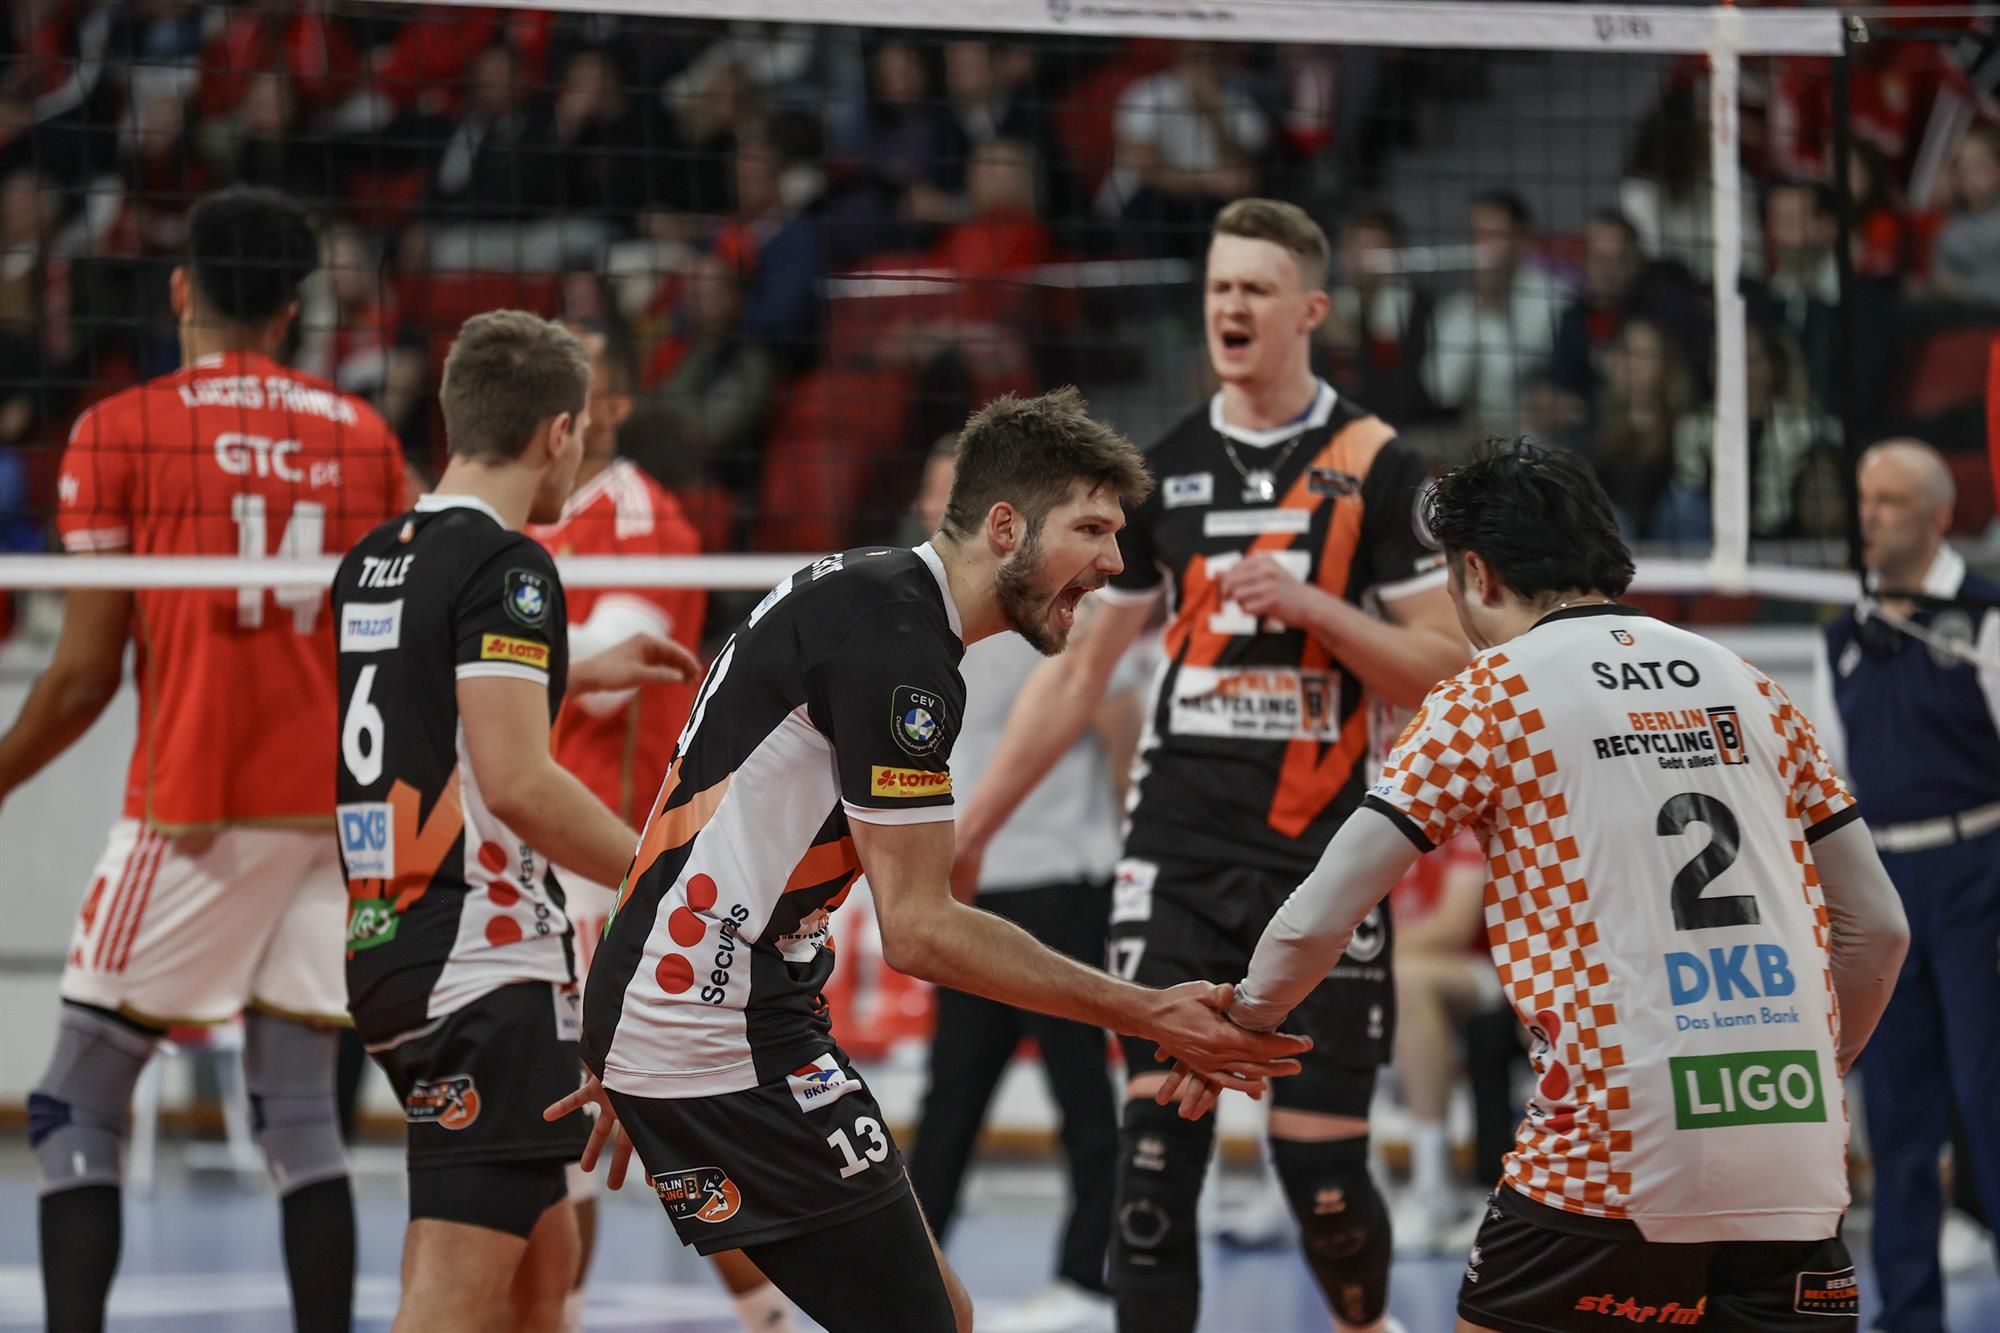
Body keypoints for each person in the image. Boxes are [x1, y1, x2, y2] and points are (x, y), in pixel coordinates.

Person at [547, 386, 1311, 1333]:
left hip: (725, 1006)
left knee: (939, 1312)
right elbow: (917, 929)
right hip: (713, 1016)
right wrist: (1152, 1011)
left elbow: (692, 816)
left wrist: (629, 1015)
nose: (1115, 563)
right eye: (1091, 530)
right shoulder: (897, 644)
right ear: (1005, 527)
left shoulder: (868, 592)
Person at [1159, 438, 1911, 1333]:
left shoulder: (1490, 695)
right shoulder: (1751, 686)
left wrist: (1244, 1020)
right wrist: (1814, 1070)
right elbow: (1880, 929)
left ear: (1477, 572)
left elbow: (1321, 911)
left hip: (1615, 1140)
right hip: (1793, 1141)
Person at [953, 199, 1468, 1333]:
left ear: (1309, 311)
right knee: (1149, 1179)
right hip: (1176, 851)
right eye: (1218, 287)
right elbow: (1077, 676)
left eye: (1254, 289)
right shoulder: (1164, 469)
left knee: (1325, 1186)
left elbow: (1445, 667)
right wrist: (975, 825)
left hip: (1319, 859)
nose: (1230, 306)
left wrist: (1312, 606)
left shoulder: (1378, 463)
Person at [0, 185, 406, 1333]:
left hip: (196, 806)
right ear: (290, 312)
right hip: (337, 820)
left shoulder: (120, 428)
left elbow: (83, 674)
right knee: (300, 1121)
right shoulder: (363, 436)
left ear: (182, 290)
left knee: (73, 1100)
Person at [332, 310, 699, 1333]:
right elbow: (519, 784)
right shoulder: (510, 563)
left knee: (544, 1268)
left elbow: (430, 697)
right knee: (455, 1298)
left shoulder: (376, 557)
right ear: (559, 432)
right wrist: (670, 876)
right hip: (481, 960)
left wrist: (572, 664)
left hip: (388, 940)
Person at [523, 323, 795, 1333]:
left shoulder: (639, 516)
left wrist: (471, 637)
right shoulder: (522, 514)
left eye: (577, 383)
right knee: (583, 1119)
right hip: (527, 849)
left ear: (612, 407)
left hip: (604, 852)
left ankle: (771, 1309)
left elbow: (605, 676)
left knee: (633, 1107)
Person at [902, 436, 1143, 1333]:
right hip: (971, 886)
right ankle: (907, 1272)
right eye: (932, 490)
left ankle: (1087, 1277)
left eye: (952, 489)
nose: (941, 504)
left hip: (1059, 875)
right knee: (953, 1094)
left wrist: (1127, 855)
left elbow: (1119, 726)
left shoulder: (1063, 604)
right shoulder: (921, 609)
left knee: (1082, 1088)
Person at [1813, 439, 2000, 1333]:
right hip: (1884, 883)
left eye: (1888, 500)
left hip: (1979, 872)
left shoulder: (1984, 616)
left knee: (1990, 1098)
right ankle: (1908, 1313)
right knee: (1895, 1114)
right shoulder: (1842, 635)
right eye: (1864, 498)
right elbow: (1832, 781)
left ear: (1937, 514)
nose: (1869, 515)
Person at [1421, 190, 1567, 440]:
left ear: (1522, 240)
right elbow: (1442, 389)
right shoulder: (1455, 309)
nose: (1483, 248)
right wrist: (1481, 309)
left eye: (1494, 236)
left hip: (1540, 442)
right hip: (1473, 441)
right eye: (1477, 235)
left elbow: (1512, 372)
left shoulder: (1555, 301)